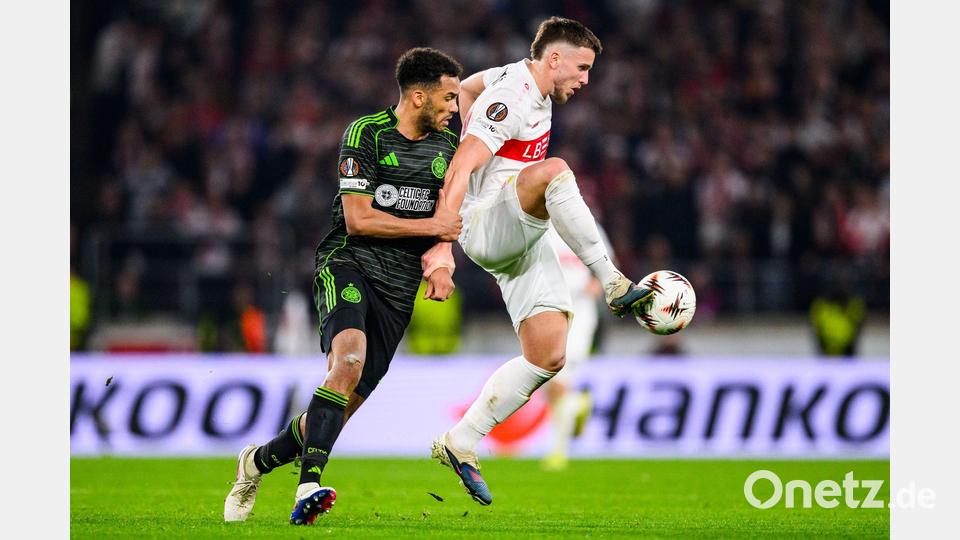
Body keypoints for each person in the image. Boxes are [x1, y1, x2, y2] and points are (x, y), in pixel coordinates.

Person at [224, 47, 464, 525]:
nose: (455, 108)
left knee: (336, 409)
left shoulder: (446, 147)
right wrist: (432, 227)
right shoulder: (366, 133)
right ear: (418, 96)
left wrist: (442, 263)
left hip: (399, 292)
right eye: (450, 98)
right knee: (347, 358)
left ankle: (255, 463)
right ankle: (308, 487)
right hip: (348, 264)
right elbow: (358, 219)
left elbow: (448, 224)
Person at [422, 16, 653, 505]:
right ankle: (613, 282)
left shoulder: (525, 84)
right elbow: (463, 164)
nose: (586, 79)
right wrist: (442, 246)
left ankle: (461, 440)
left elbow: (465, 87)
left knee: (548, 355)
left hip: (523, 235)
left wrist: (462, 110)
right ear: (554, 58)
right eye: (583, 67)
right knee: (555, 171)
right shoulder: (515, 98)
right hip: (486, 223)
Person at [540, 223, 604, 471]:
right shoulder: (539, 226)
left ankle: (558, 452)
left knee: (559, 380)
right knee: (550, 383)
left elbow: (605, 264)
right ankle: (577, 404)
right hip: (547, 311)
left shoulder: (585, 223)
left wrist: (597, 283)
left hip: (580, 314)